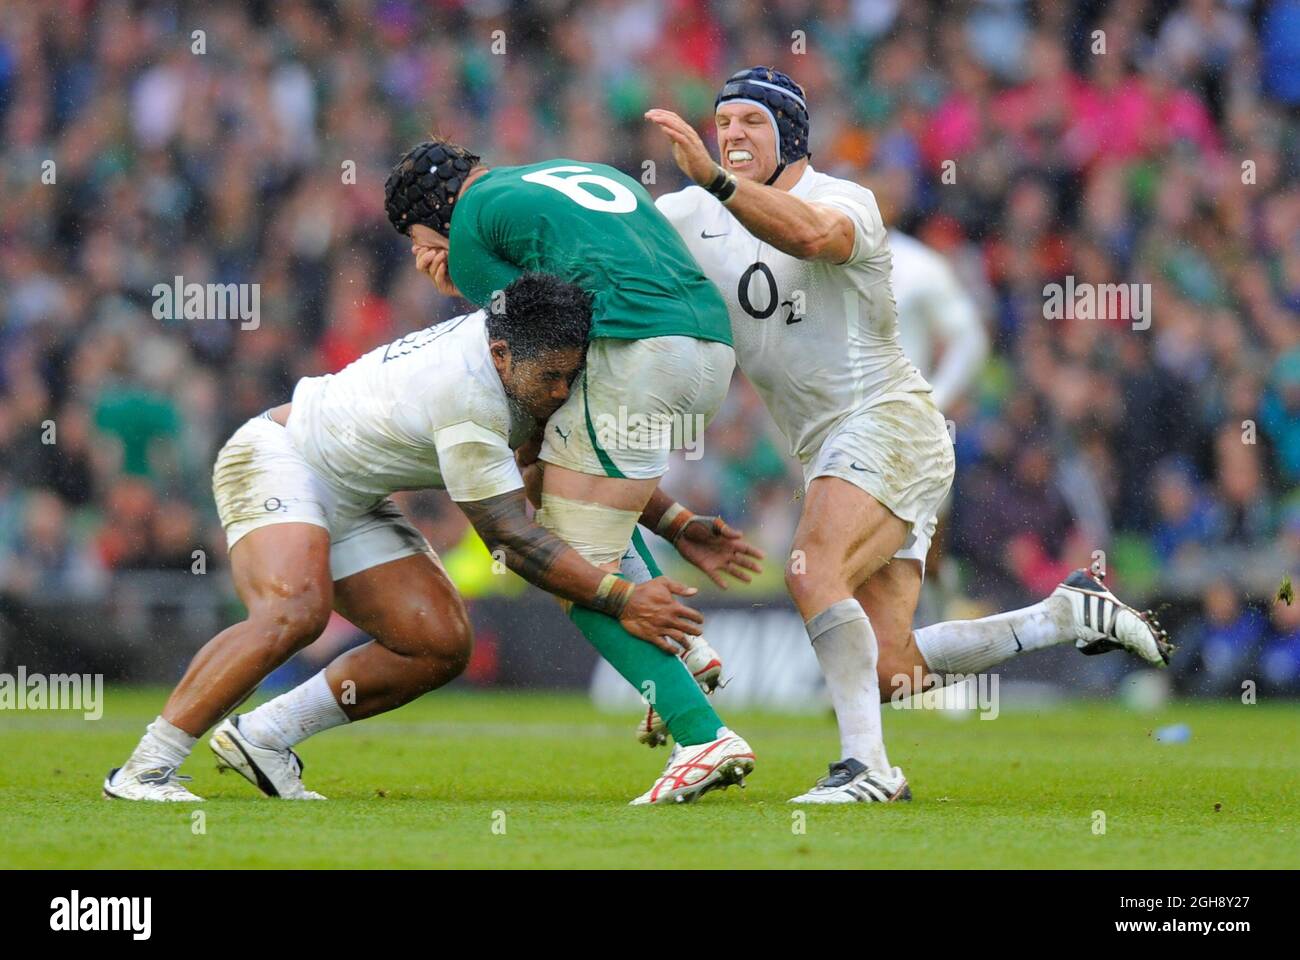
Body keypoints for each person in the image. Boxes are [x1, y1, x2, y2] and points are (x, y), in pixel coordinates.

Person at [647, 66, 1172, 804]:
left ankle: (868, 769)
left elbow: (811, 237)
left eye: (751, 122)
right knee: (891, 669)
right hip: (834, 447)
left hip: (888, 424)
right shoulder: (688, 212)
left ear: (791, 135)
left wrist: (719, 185)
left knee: (809, 568)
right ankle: (1063, 614)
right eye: (723, 121)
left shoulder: (843, 200)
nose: (731, 134)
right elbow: (607, 231)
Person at [104, 273, 705, 801]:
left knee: (438, 643)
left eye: (570, 376)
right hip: (281, 456)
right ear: (500, 356)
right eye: (551, 377)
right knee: (294, 611)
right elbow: (510, 537)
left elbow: (569, 471)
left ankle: (264, 737)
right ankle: (144, 769)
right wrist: (623, 597)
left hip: (355, 492)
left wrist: (675, 521)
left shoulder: (521, 351)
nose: (560, 392)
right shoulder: (469, 399)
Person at [387, 141, 763, 804]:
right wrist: (674, 522)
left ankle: (702, 737)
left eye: (418, 240)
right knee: (577, 503)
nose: (425, 254)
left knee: (569, 567)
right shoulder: (565, 173)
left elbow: (530, 355)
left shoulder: (469, 223)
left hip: (637, 347)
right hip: (708, 348)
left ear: (430, 218)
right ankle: (687, 664)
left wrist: (459, 279)